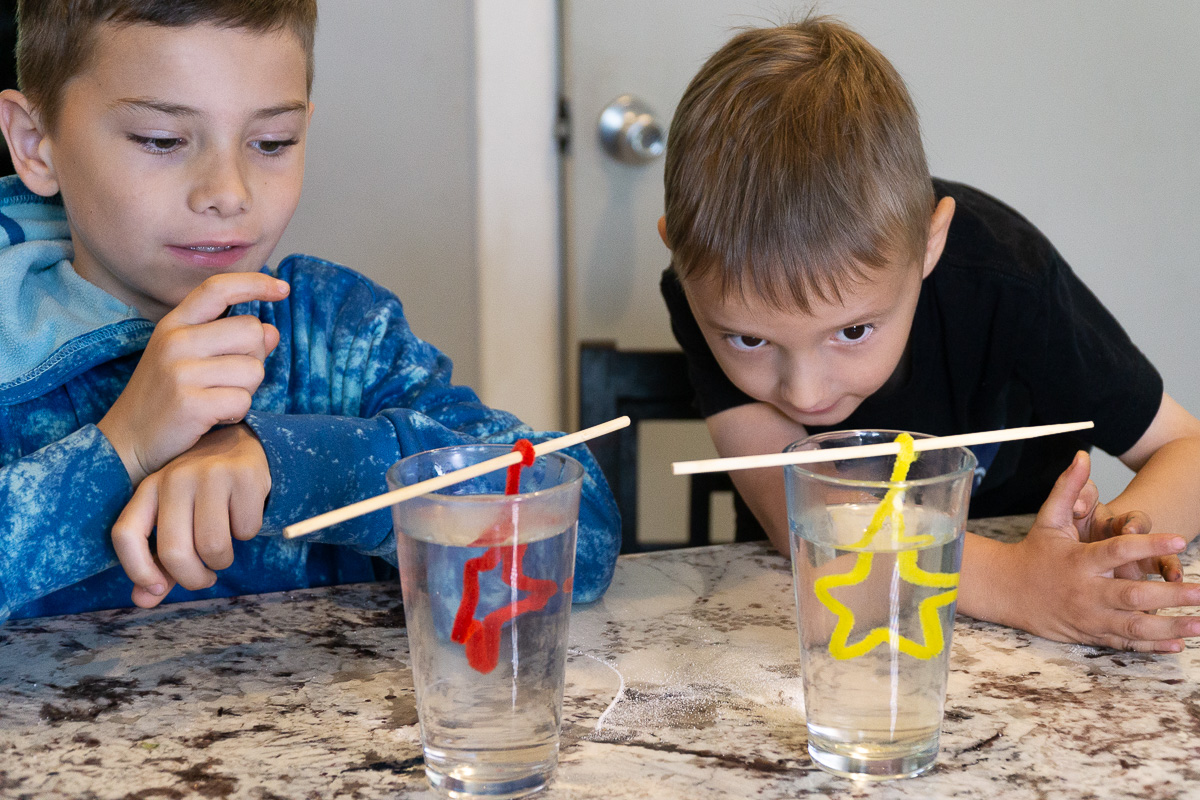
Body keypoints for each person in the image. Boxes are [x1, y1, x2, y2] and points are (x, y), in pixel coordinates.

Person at [0, 0, 619, 624]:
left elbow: (583, 531)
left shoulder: (341, 334)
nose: (228, 193)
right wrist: (122, 450)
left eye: (272, 143)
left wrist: (300, 465)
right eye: (162, 141)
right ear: (35, 144)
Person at [658, 16, 1200, 652]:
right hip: (840, 630)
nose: (804, 395)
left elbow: (1186, 448)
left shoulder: (1005, 278)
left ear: (929, 245)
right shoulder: (703, 291)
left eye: (853, 330)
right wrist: (1019, 586)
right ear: (680, 260)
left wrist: (1119, 544)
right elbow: (809, 517)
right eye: (750, 341)